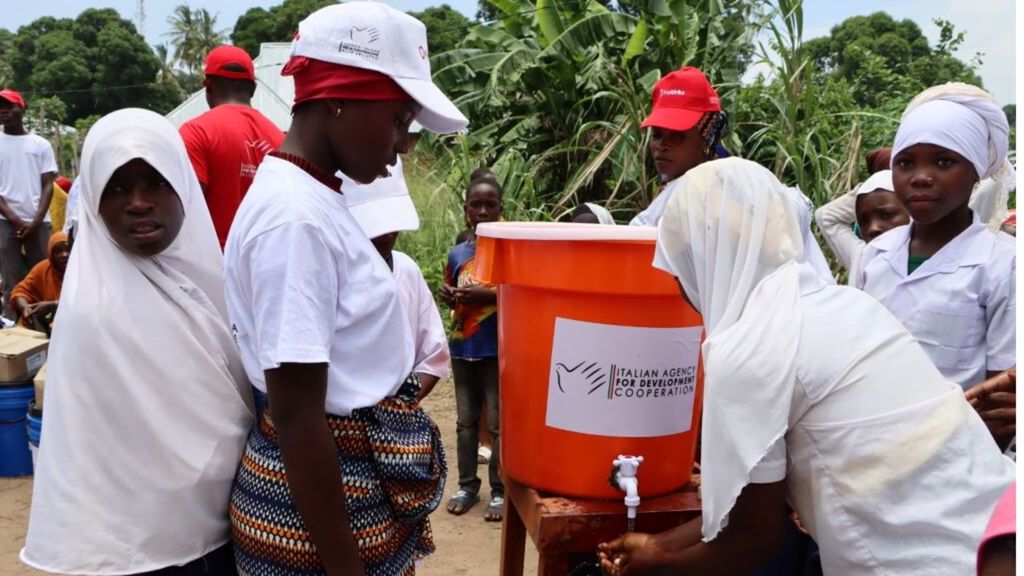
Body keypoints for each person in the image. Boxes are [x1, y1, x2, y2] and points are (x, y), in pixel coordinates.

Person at [597, 158, 1013, 576]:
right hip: (1000, 532)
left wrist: (658, 564)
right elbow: (765, 500)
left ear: (699, 263)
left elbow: (754, 540)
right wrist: (659, 543)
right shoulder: (849, 305)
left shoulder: (750, 350)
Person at [223, 3, 466, 573]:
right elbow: (299, 410)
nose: (404, 144)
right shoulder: (295, 220)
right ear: (337, 98)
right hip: (317, 522)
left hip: (336, 500)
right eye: (399, 120)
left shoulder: (315, 199)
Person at [21, 108, 254, 574]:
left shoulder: (215, 286)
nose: (139, 203)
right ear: (92, 200)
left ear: (185, 187)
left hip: (225, 532)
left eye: (157, 183)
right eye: (118, 188)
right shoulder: (92, 314)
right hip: (136, 551)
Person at [855, 83, 1015, 392]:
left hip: (958, 435)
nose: (920, 177)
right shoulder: (875, 254)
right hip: (867, 431)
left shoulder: (1003, 265)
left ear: (976, 171)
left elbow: (1001, 389)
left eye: (943, 162)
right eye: (905, 163)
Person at [627, 67, 833, 281]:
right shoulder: (680, 194)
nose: (661, 146)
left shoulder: (718, 187)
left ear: (708, 135)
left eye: (677, 135)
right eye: (657, 135)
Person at [342, 157, 450, 401]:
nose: (388, 233)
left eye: (393, 222)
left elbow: (433, 353)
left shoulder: (407, 270)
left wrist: (401, 406)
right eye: (377, 224)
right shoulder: (333, 272)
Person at [440, 177, 504, 521]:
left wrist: (488, 296)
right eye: (475, 205)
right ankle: (467, 485)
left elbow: (520, 294)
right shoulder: (457, 253)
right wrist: (447, 294)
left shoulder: (509, 251)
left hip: (496, 350)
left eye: (489, 204)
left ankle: (499, 490)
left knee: (497, 425)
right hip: (463, 347)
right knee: (466, 422)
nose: (482, 211)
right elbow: (451, 290)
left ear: (500, 208)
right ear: (466, 211)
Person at [179, 45, 285, 248]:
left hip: (214, 266)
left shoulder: (195, 132)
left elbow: (186, 208)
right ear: (253, 89)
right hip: (267, 262)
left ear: (207, 86)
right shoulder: (281, 139)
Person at [0, 89, 56, 320]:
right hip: (5, 220)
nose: (4, 111)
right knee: (10, 278)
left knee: (45, 274)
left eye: (10, 106)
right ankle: (13, 329)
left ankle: (47, 324)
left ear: (23, 109)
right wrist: (14, 218)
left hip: (39, 221)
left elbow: (48, 185)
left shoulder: (40, 144)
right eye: (0, 107)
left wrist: (34, 221)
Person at [814, 169, 909, 283]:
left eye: (885, 215)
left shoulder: (931, 262)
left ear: (913, 213)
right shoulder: (861, 257)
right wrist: (867, 189)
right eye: (863, 221)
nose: (873, 228)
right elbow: (826, 216)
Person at [10, 231, 70, 334]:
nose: (64, 255)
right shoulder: (42, 268)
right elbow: (20, 291)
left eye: (68, 250)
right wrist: (25, 308)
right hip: (49, 327)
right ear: (51, 254)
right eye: (58, 251)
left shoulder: (83, 270)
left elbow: (87, 303)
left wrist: (52, 305)